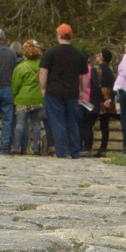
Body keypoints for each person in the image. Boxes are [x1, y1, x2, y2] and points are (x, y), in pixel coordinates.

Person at [39, 23, 88, 159]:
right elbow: (84, 75)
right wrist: (83, 92)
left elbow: (43, 71)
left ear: (58, 35)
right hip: (72, 93)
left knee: (57, 122)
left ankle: (61, 152)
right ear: (71, 36)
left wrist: (43, 88)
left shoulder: (51, 53)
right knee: (73, 122)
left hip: (54, 92)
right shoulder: (79, 55)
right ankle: (75, 151)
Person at [11, 39, 45, 155]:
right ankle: (36, 149)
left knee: (20, 124)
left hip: (23, 98)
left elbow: (15, 85)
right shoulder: (42, 66)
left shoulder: (20, 67)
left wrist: (14, 95)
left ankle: (16, 148)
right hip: (38, 98)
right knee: (36, 124)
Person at [89, 49, 116, 157]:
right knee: (105, 125)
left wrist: (101, 99)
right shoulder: (110, 71)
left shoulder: (95, 69)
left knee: (88, 124)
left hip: (98, 100)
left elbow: (95, 85)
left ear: (101, 58)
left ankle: (87, 147)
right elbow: (115, 85)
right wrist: (110, 99)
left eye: (98, 55)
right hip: (109, 100)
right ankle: (103, 149)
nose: (96, 57)